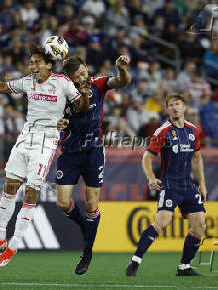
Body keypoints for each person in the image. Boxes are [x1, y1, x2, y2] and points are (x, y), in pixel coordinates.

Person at [0, 45, 89, 267]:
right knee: (9, 188)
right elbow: (2, 87)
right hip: (23, 141)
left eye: (37, 62)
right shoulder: (28, 81)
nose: (33, 66)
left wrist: (83, 94)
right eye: (31, 62)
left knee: (30, 193)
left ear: (49, 64)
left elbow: (82, 107)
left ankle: (13, 245)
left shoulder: (62, 82)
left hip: (45, 144)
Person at [56, 55, 131, 275]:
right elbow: (50, 118)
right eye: (77, 75)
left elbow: (121, 82)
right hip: (69, 153)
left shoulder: (97, 83)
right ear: (69, 78)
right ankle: (84, 225)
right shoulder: (63, 93)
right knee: (62, 203)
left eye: (83, 71)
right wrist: (57, 123)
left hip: (93, 152)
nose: (82, 76)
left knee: (91, 204)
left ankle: (87, 251)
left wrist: (121, 69)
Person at [125, 94, 207, 276]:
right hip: (170, 185)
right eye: (171, 105)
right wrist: (151, 177)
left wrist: (202, 183)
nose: (175, 107)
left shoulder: (193, 130)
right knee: (161, 222)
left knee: (200, 225)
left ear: (184, 107)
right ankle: (135, 260)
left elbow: (197, 157)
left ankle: (184, 267)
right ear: (167, 109)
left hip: (188, 185)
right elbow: (147, 157)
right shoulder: (163, 131)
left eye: (178, 104)